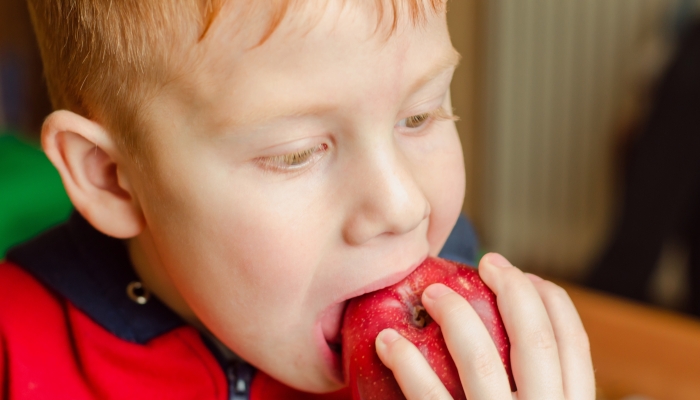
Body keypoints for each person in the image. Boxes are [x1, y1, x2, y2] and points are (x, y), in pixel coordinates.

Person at [0, 1, 595, 399]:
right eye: (296, 153)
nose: (402, 206)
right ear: (111, 176)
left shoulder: (468, 328)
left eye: (421, 114)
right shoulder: (16, 350)